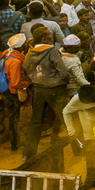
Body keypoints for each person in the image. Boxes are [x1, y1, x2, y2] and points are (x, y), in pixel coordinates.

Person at [21, 26, 71, 166]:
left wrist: (36, 81)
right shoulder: (52, 52)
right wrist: (61, 82)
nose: (52, 36)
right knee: (64, 118)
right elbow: (64, 72)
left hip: (39, 88)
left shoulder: (30, 53)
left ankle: (28, 153)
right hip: (56, 88)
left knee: (35, 121)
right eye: (50, 34)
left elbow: (26, 68)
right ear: (44, 38)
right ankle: (69, 148)